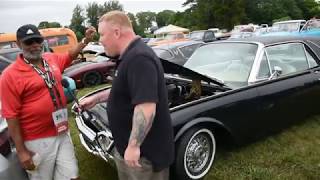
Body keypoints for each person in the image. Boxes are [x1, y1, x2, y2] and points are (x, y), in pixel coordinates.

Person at [80, 11, 174, 180]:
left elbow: (146, 107)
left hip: (144, 157)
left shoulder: (139, 58)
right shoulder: (128, 56)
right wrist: (96, 98)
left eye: (102, 34)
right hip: (128, 149)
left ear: (117, 32)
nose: (99, 40)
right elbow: (127, 91)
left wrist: (133, 146)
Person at [0, 24, 96, 180]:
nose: (35, 45)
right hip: (36, 140)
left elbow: (69, 55)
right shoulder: (9, 76)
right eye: (29, 42)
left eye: (37, 40)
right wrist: (22, 150)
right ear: (18, 44)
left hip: (62, 131)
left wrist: (85, 40)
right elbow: (10, 115)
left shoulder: (50, 58)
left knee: (72, 175)